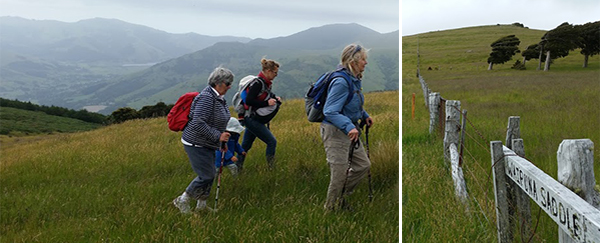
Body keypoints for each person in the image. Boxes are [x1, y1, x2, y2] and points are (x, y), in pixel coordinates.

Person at [173, 66, 234, 214]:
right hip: (196, 142)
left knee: (211, 173)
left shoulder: (219, 98)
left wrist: (221, 142)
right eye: (228, 84)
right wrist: (218, 136)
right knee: (206, 175)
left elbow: (217, 121)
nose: (229, 87)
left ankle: (201, 205)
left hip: (208, 142)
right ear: (218, 83)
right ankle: (182, 200)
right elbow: (198, 122)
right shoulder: (207, 98)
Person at [320, 44, 373, 211]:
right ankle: (330, 210)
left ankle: (339, 199)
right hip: (335, 132)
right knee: (339, 173)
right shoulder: (341, 82)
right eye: (363, 59)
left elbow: (351, 103)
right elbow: (329, 110)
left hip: (350, 130)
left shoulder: (354, 80)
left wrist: (364, 116)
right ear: (353, 61)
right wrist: (349, 126)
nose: (366, 62)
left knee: (363, 165)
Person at [239, 58, 282, 170]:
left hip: (251, 118)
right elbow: (249, 100)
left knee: (246, 146)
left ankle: (237, 169)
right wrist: (266, 103)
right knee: (271, 142)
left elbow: (266, 94)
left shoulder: (265, 83)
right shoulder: (258, 83)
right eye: (275, 72)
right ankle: (271, 168)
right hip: (252, 119)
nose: (276, 75)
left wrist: (274, 98)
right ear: (268, 71)